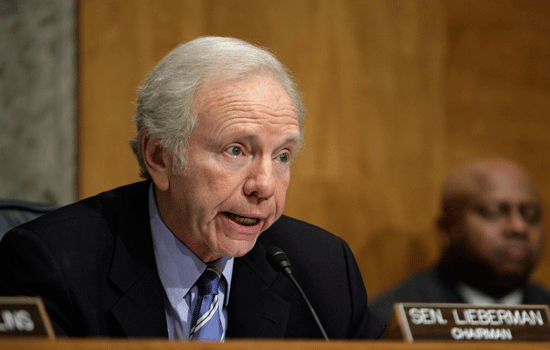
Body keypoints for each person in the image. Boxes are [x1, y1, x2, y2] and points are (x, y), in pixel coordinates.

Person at [0, 36, 384, 340]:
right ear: (160, 157)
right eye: (236, 150)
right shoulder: (52, 264)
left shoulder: (322, 271)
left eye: (283, 156)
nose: (264, 186)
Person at [370, 158, 550, 324]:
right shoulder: (391, 323)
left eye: (531, 215)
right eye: (494, 212)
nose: (519, 227)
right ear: (446, 229)